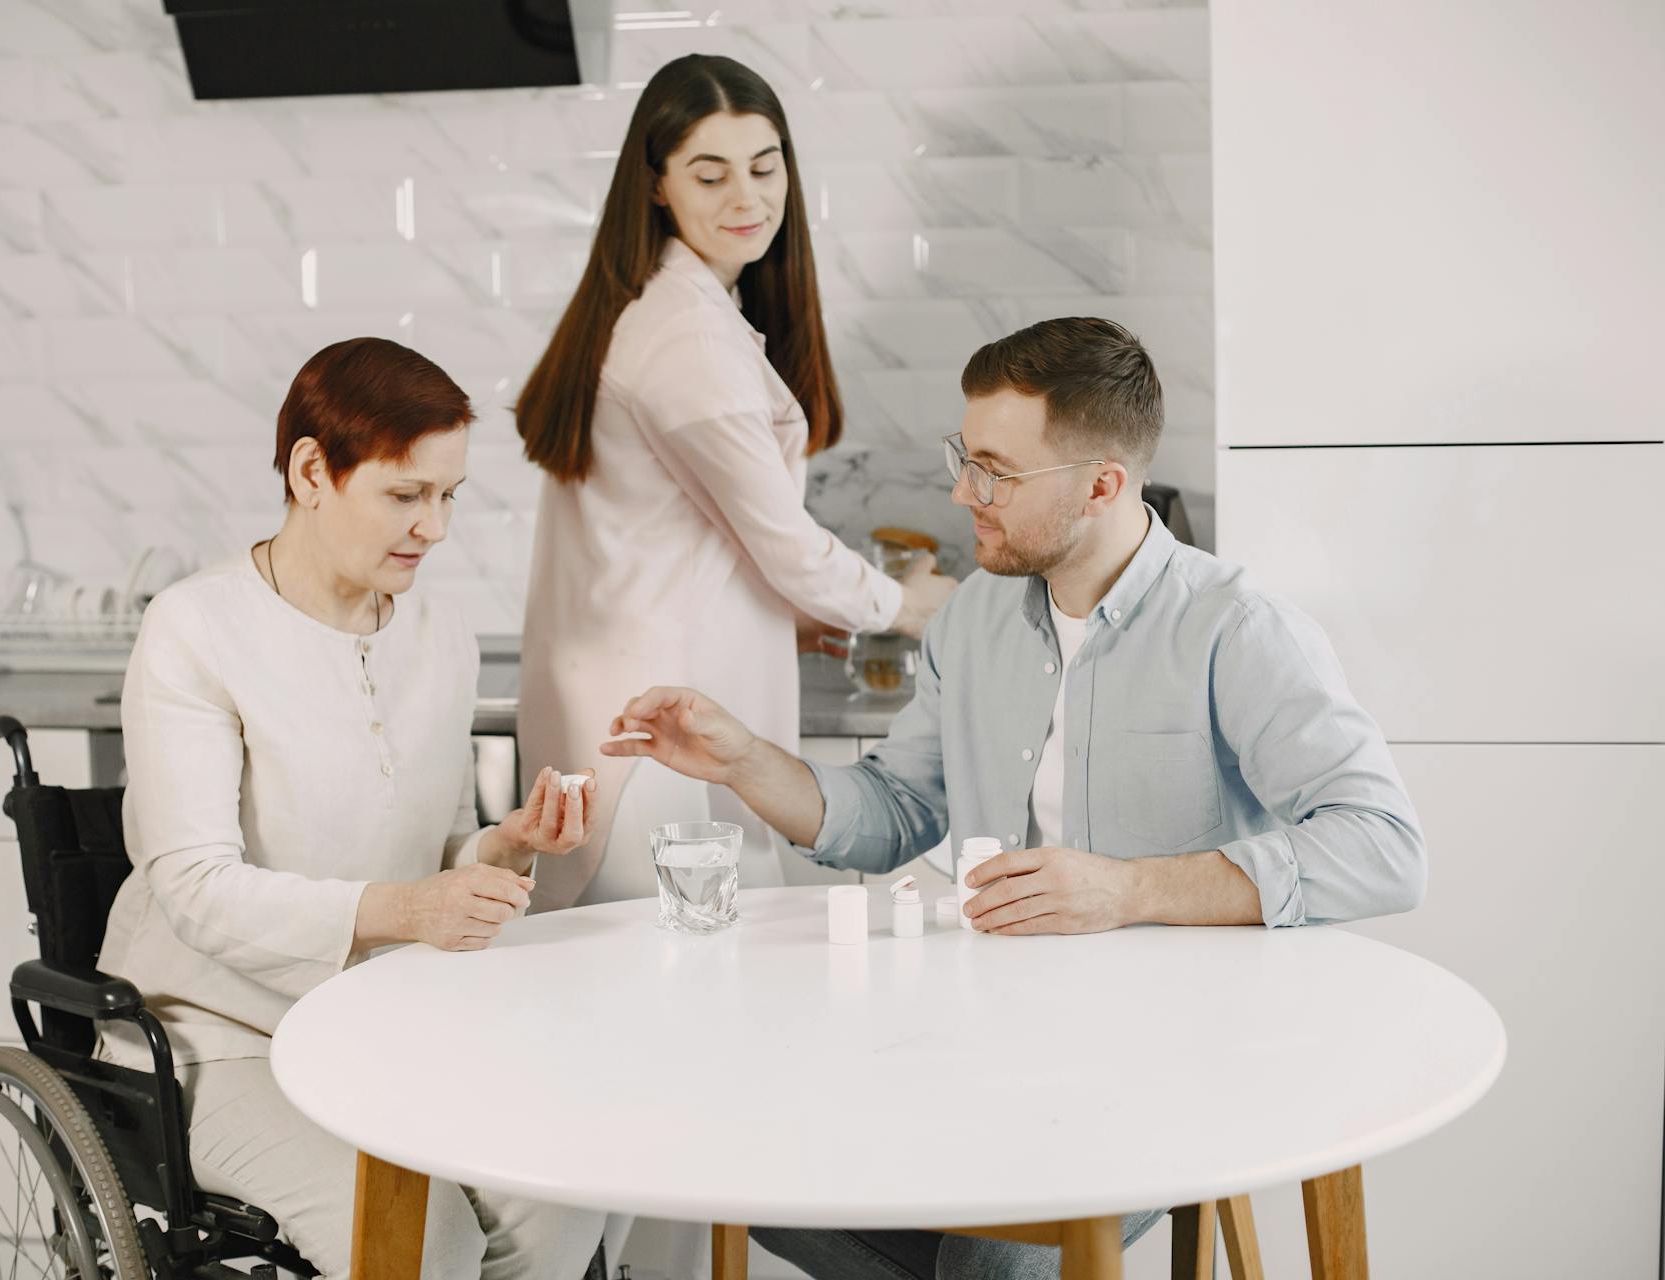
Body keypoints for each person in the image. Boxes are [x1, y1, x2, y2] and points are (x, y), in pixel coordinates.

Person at [599, 317, 1428, 1279]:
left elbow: (1384, 847)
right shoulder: (974, 621)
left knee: (988, 1264)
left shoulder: (1236, 629)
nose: (963, 493)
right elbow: (894, 812)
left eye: (994, 469)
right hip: (989, 1042)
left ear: (1102, 486)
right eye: (966, 457)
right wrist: (743, 759)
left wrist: (1126, 891)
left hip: (1175, 1054)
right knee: (728, 1172)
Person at [98, 337, 607, 1280]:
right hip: (216, 1039)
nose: (436, 526)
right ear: (310, 472)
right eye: (407, 496)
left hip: (383, 1016)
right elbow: (197, 889)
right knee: (427, 1243)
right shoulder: (196, 630)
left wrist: (503, 846)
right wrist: (411, 910)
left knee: (560, 1193)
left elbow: (437, 840)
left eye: (449, 495)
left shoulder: (441, 632)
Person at [514, 53, 956, 917]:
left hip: (637, 719)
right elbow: (784, 542)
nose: (747, 199)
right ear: (655, 186)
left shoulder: (662, 310)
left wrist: (788, 618)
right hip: (659, 744)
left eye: (765, 166)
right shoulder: (688, 339)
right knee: (683, 995)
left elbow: (676, 536)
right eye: (709, 175)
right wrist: (906, 606)